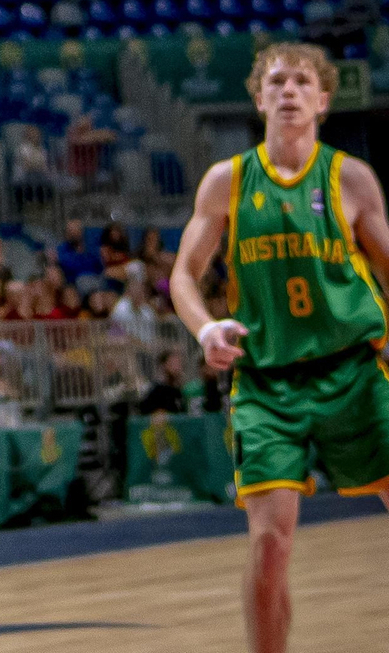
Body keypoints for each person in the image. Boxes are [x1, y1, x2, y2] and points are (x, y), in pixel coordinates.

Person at [170, 42, 389, 653]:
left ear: (322, 100)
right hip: (268, 383)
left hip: (354, 369)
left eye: (301, 82)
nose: (288, 90)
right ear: (258, 97)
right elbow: (184, 275)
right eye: (276, 81)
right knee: (269, 544)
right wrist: (206, 327)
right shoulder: (227, 181)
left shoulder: (349, 177)